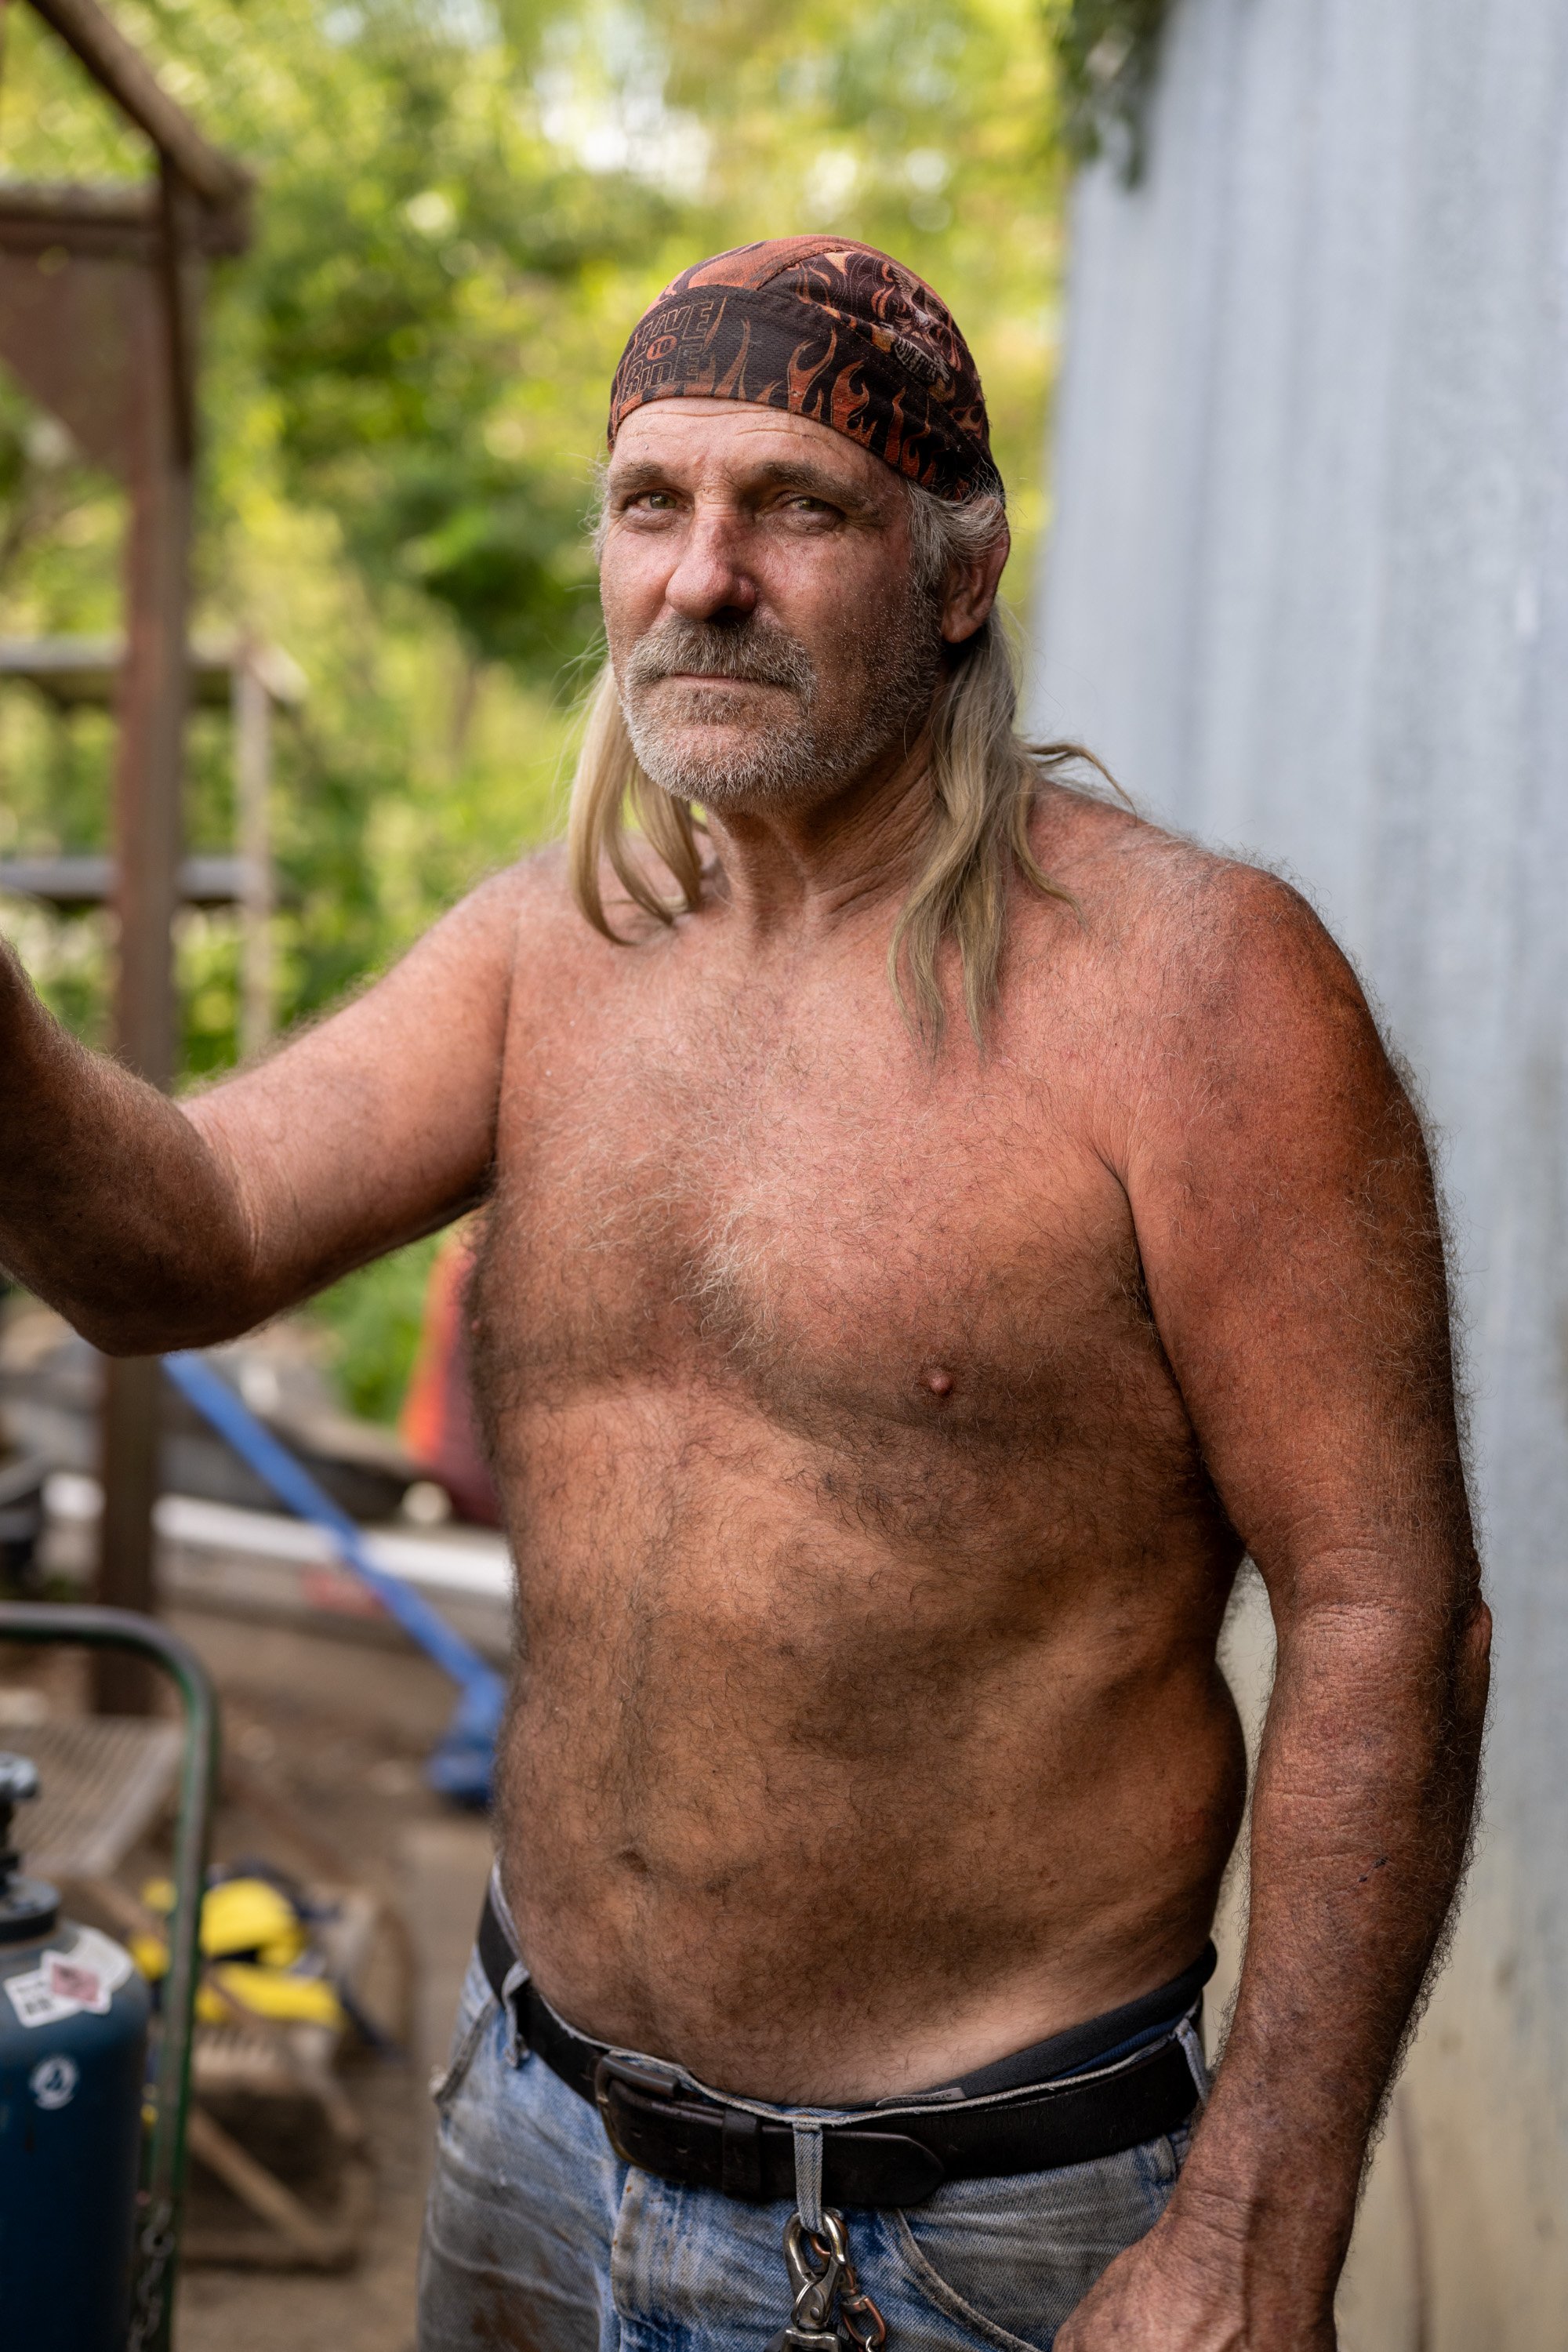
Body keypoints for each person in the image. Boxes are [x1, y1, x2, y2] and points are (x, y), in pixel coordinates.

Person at [0, 239, 1488, 2351]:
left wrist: (1259, 2219)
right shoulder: (553, 952)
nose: (700, 575)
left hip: (971, 2237)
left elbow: (1387, 1611)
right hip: (532, 2138)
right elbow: (184, 1240)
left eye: (793, 506)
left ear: (954, 573)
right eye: (649, 503)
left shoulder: (1197, 995)